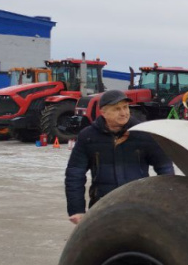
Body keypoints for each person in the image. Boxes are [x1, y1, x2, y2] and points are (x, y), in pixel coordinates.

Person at [64, 89, 174, 225]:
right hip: (102, 205)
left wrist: (167, 203)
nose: (123, 113)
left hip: (139, 206)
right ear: (103, 112)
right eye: (117, 109)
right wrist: (76, 209)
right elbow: (75, 172)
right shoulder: (88, 137)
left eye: (125, 107)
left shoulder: (144, 134)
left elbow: (165, 168)